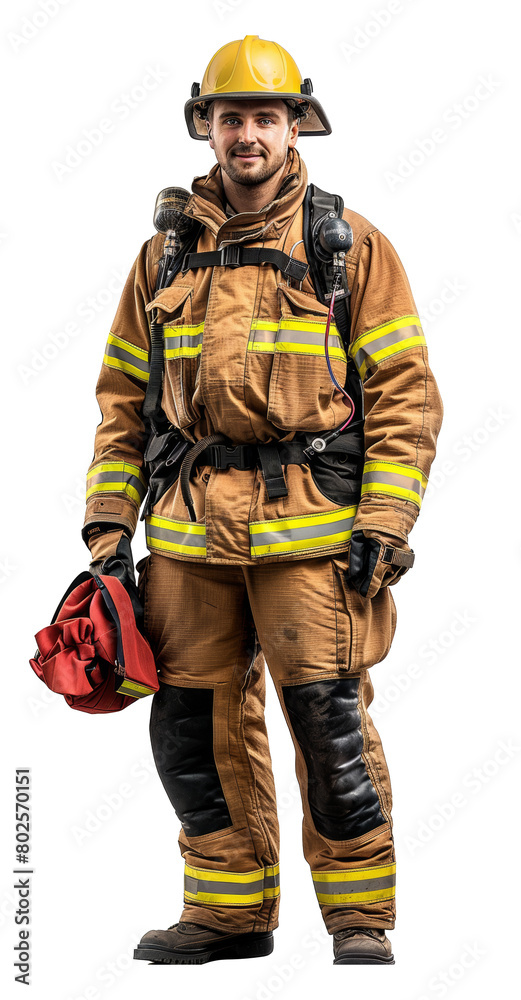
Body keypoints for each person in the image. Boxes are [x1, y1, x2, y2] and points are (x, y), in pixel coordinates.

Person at [82, 35, 443, 966]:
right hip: (187, 540)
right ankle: (229, 914)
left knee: (331, 732)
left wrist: (384, 523)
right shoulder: (159, 260)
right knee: (193, 740)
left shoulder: (347, 245)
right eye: (230, 116)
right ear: (206, 127)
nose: (247, 132)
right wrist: (108, 529)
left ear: (294, 126)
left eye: (265, 117)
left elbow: (403, 393)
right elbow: (123, 401)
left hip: (311, 541)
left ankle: (358, 918)